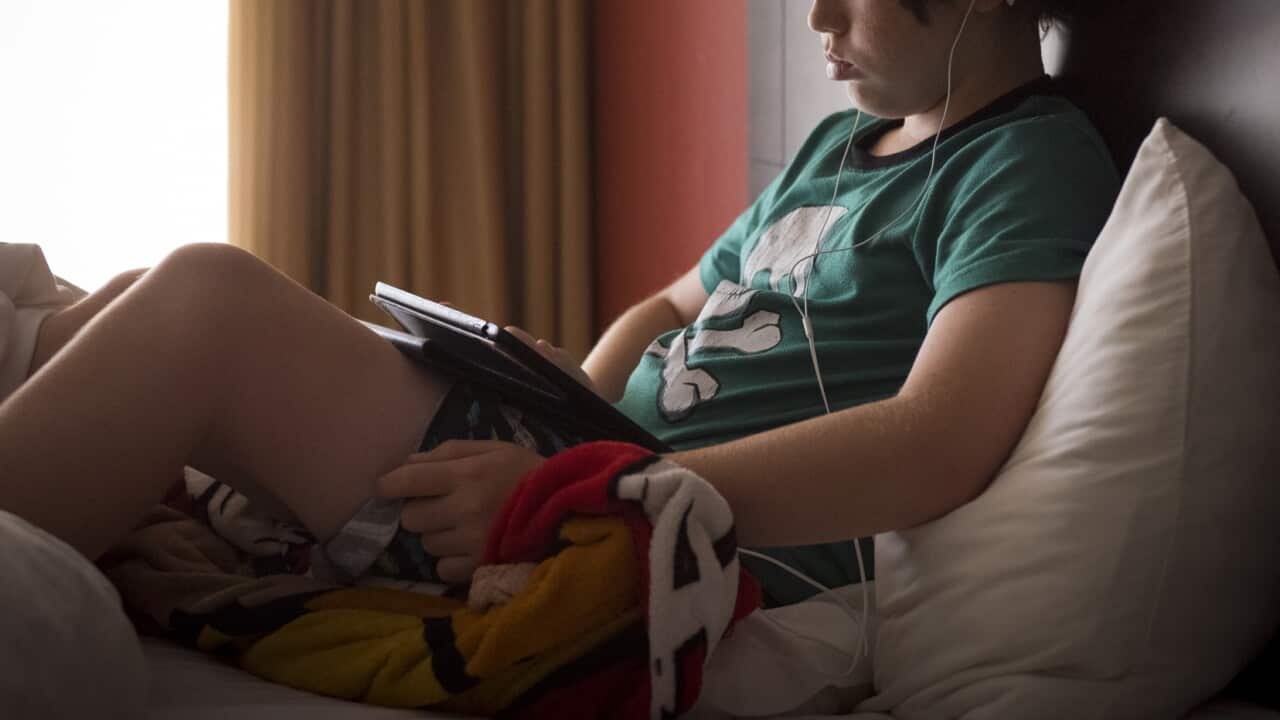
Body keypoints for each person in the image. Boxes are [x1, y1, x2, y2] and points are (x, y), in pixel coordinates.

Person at [0, 0, 1117, 607]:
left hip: (636, 533)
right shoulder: (835, 147)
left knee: (206, 301)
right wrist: (565, 397)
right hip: (584, 461)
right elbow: (663, 306)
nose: (816, 16)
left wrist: (587, 495)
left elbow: (939, 441)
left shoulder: (1022, 162)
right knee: (128, 296)